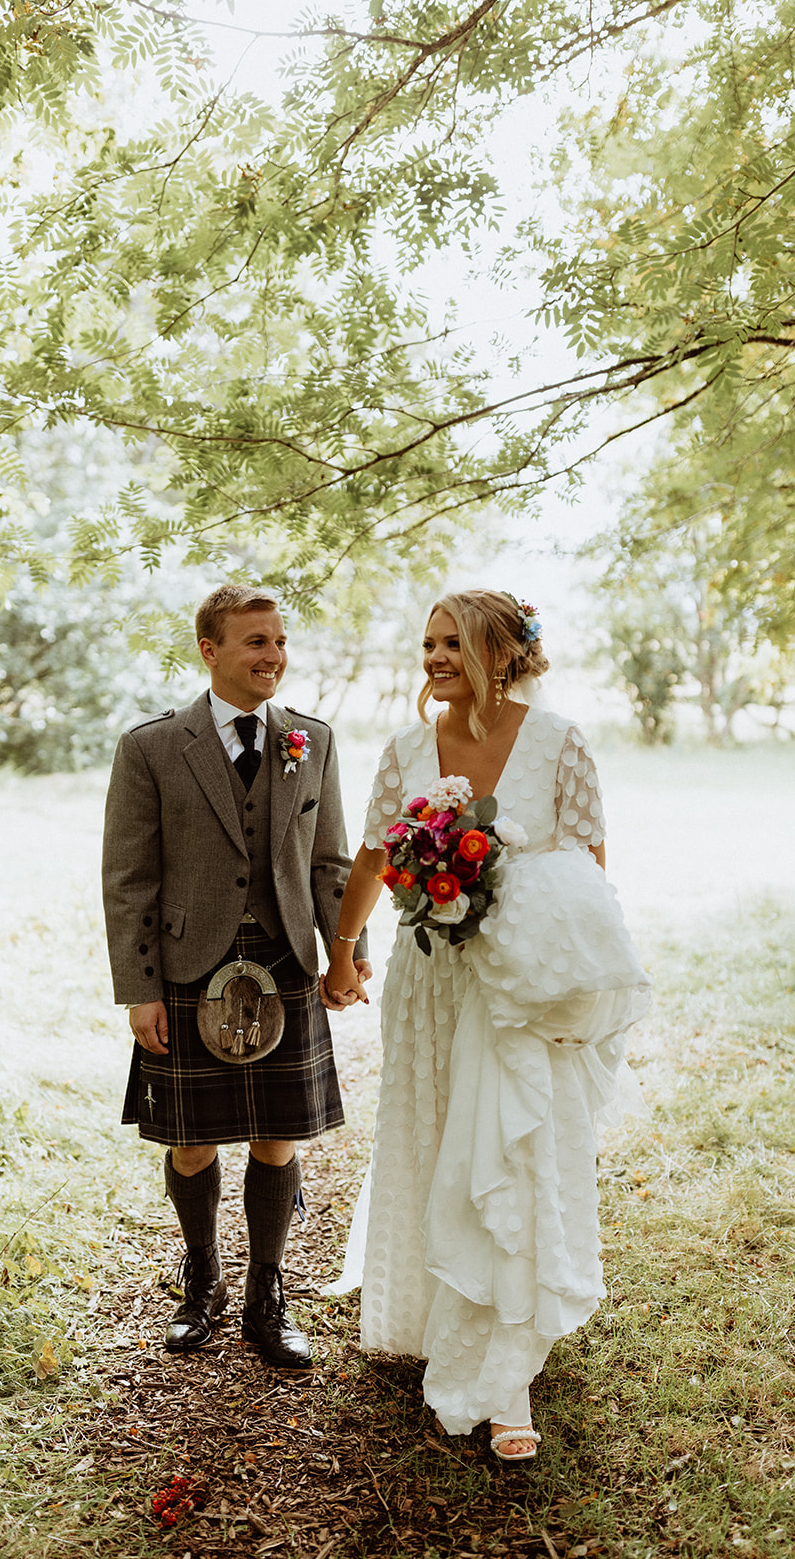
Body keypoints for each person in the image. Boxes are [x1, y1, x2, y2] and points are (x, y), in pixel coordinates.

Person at [322, 589, 650, 1459]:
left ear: (503, 654)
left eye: (453, 644)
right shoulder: (403, 750)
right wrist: (344, 949)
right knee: (434, 1138)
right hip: (430, 983)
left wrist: (577, 986)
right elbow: (374, 855)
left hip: (518, 990)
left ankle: (506, 1377)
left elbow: (588, 874)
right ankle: (433, 1311)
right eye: (427, 643)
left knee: (509, 1157)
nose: (434, 658)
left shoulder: (559, 743)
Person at [103, 583, 369, 1370]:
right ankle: (201, 1281)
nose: (274, 656)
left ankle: (266, 1292)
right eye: (255, 642)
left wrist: (345, 953)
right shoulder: (151, 747)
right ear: (209, 650)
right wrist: (140, 988)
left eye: (280, 641)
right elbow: (129, 879)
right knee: (189, 1144)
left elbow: (330, 863)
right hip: (190, 965)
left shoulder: (310, 741)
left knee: (277, 1138)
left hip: (285, 959)